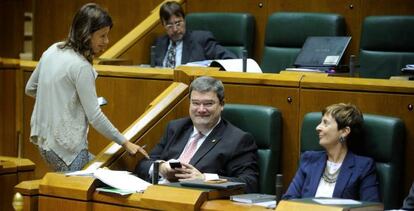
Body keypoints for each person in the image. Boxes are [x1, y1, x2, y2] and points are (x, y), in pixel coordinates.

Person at [25, 3, 148, 172]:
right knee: (103, 184)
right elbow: (95, 117)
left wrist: (61, 101)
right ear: (86, 34)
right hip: (68, 151)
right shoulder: (82, 67)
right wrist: (125, 142)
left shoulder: (53, 49)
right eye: (102, 36)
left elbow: (30, 88)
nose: (106, 41)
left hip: (45, 146)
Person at [135, 76, 259, 193]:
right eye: (195, 103)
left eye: (208, 104)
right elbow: (143, 164)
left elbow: (249, 183)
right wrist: (161, 168)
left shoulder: (238, 140)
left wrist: (205, 179)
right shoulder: (176, 128)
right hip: (159, 196)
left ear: (222, 105)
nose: (201, 109)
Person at [283, 103, 380, 201]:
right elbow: (289, 199)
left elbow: (370, 207)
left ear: (344, 131)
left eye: (325, 123)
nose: (318, 127)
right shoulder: (309, 159)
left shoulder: (363, 167)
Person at [153, 1, 237, 68]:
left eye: (178, 23)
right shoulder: (160, 43)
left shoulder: (202, 39)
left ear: (184, 20)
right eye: (169, 25)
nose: (175, 29)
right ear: (163, 25)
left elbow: (231, 60)